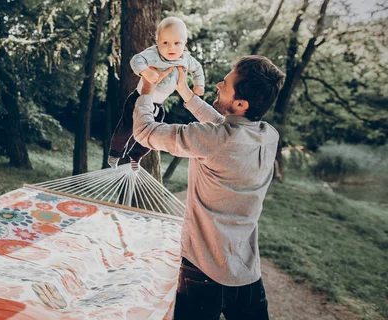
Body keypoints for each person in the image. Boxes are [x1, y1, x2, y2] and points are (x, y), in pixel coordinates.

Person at [133, 55, 285, 320]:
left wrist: (146, 92)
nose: (218, 85)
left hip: (202, 274)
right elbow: (225, 124)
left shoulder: (212, 139)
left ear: (240, 103)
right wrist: (187, 94)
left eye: (224, 85)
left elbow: (145, 132)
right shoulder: (268, 135)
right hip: (247, 274)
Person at [107, 17, 205, 171]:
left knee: (152, 134)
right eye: (165, 43)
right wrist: (145, 71)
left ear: (184, 43)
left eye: (177, 43)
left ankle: (135, 155)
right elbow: (136, 60)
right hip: (138, 99)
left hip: (158, 105)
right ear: (157, 41)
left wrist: (199, 84)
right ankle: (115, 153)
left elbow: (198, 69)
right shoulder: (153, 54)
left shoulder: (186, 59)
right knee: (126, 128)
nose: (171, 48)